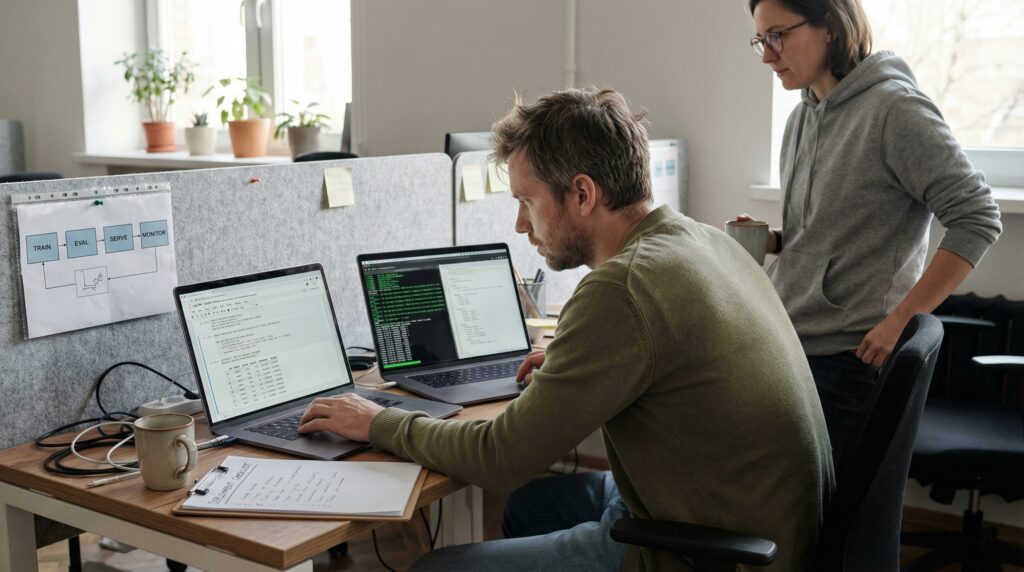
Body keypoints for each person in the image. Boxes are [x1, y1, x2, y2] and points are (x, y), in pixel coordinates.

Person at [300, 86, 833, 571]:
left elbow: (501, 458)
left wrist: (378, 422)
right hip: (763, 520)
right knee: (533, 508)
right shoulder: (698, 238)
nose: (520, 225)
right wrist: (572, 360)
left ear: (582, 194)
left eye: (527, 202)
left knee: (438, 568)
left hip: (712, 551)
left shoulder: (621, 289)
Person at [745, 0, 1002, 478]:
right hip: (791, 342)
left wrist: (903, 319)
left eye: (778, 35)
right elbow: (835, 227)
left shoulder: (894, 110)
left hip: (849, 360)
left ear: (828, 26)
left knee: (810, 525)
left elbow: (978, 216)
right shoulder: (802, 118)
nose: (767, 55)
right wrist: (777, 241)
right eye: (762, 40)